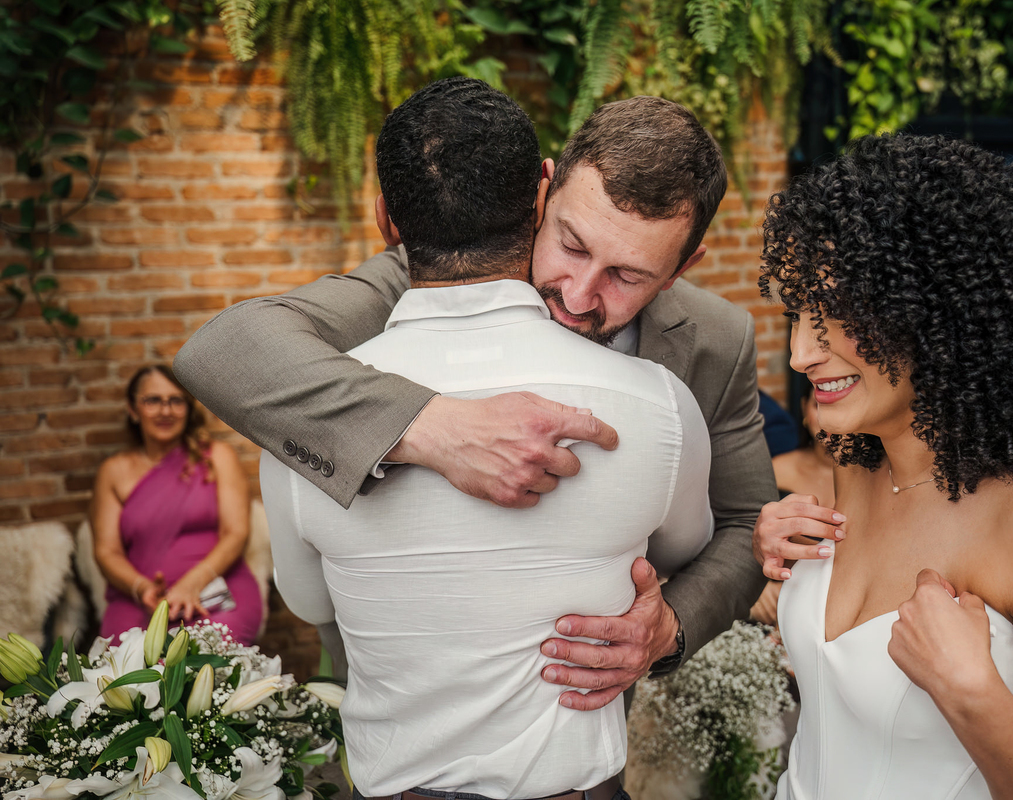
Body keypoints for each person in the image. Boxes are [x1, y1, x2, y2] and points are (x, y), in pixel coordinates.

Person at [175, 95, 836, 708]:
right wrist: (429, 426)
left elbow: (744, 517)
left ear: (682, 268)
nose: (577, 296)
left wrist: (671, 628)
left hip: (585, 722)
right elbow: (223, 351)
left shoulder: (718, 339)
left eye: (627, 276)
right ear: (544, 193)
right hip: (390, 705)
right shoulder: (431, 271)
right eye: (571, 245)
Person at [262, 77, 712, 800]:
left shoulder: (300, 421)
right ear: (541, 198)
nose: (582, 291)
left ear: (384, 220)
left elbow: (313, 606)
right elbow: (684, 551)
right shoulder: (660, 406)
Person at [754, 134, 1013, 799]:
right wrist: (778, 552)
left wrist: (972, 695)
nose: (801, 351)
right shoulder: (858, 465)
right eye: (801, 311)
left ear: (941, 314)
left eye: (838, 313)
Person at [91, 366, 261, 643]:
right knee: (128, 664)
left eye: (176, 400)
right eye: (153, 400)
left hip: (217, 587)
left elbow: (236, 533)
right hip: (140, 600)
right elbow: (106, 551)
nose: (166, 411)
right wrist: (141, 587)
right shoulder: (113, 471)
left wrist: (192, 584)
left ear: (188, 409)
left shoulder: (218, 457)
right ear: (133, 409)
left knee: (209, 659)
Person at [751, 377, 834, 626]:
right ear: (804, 408)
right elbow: (743, 534)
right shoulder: (776, 468)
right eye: (819, 405)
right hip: (774, 611)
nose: (828, 418)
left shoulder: (878, 479)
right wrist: (757, 588)